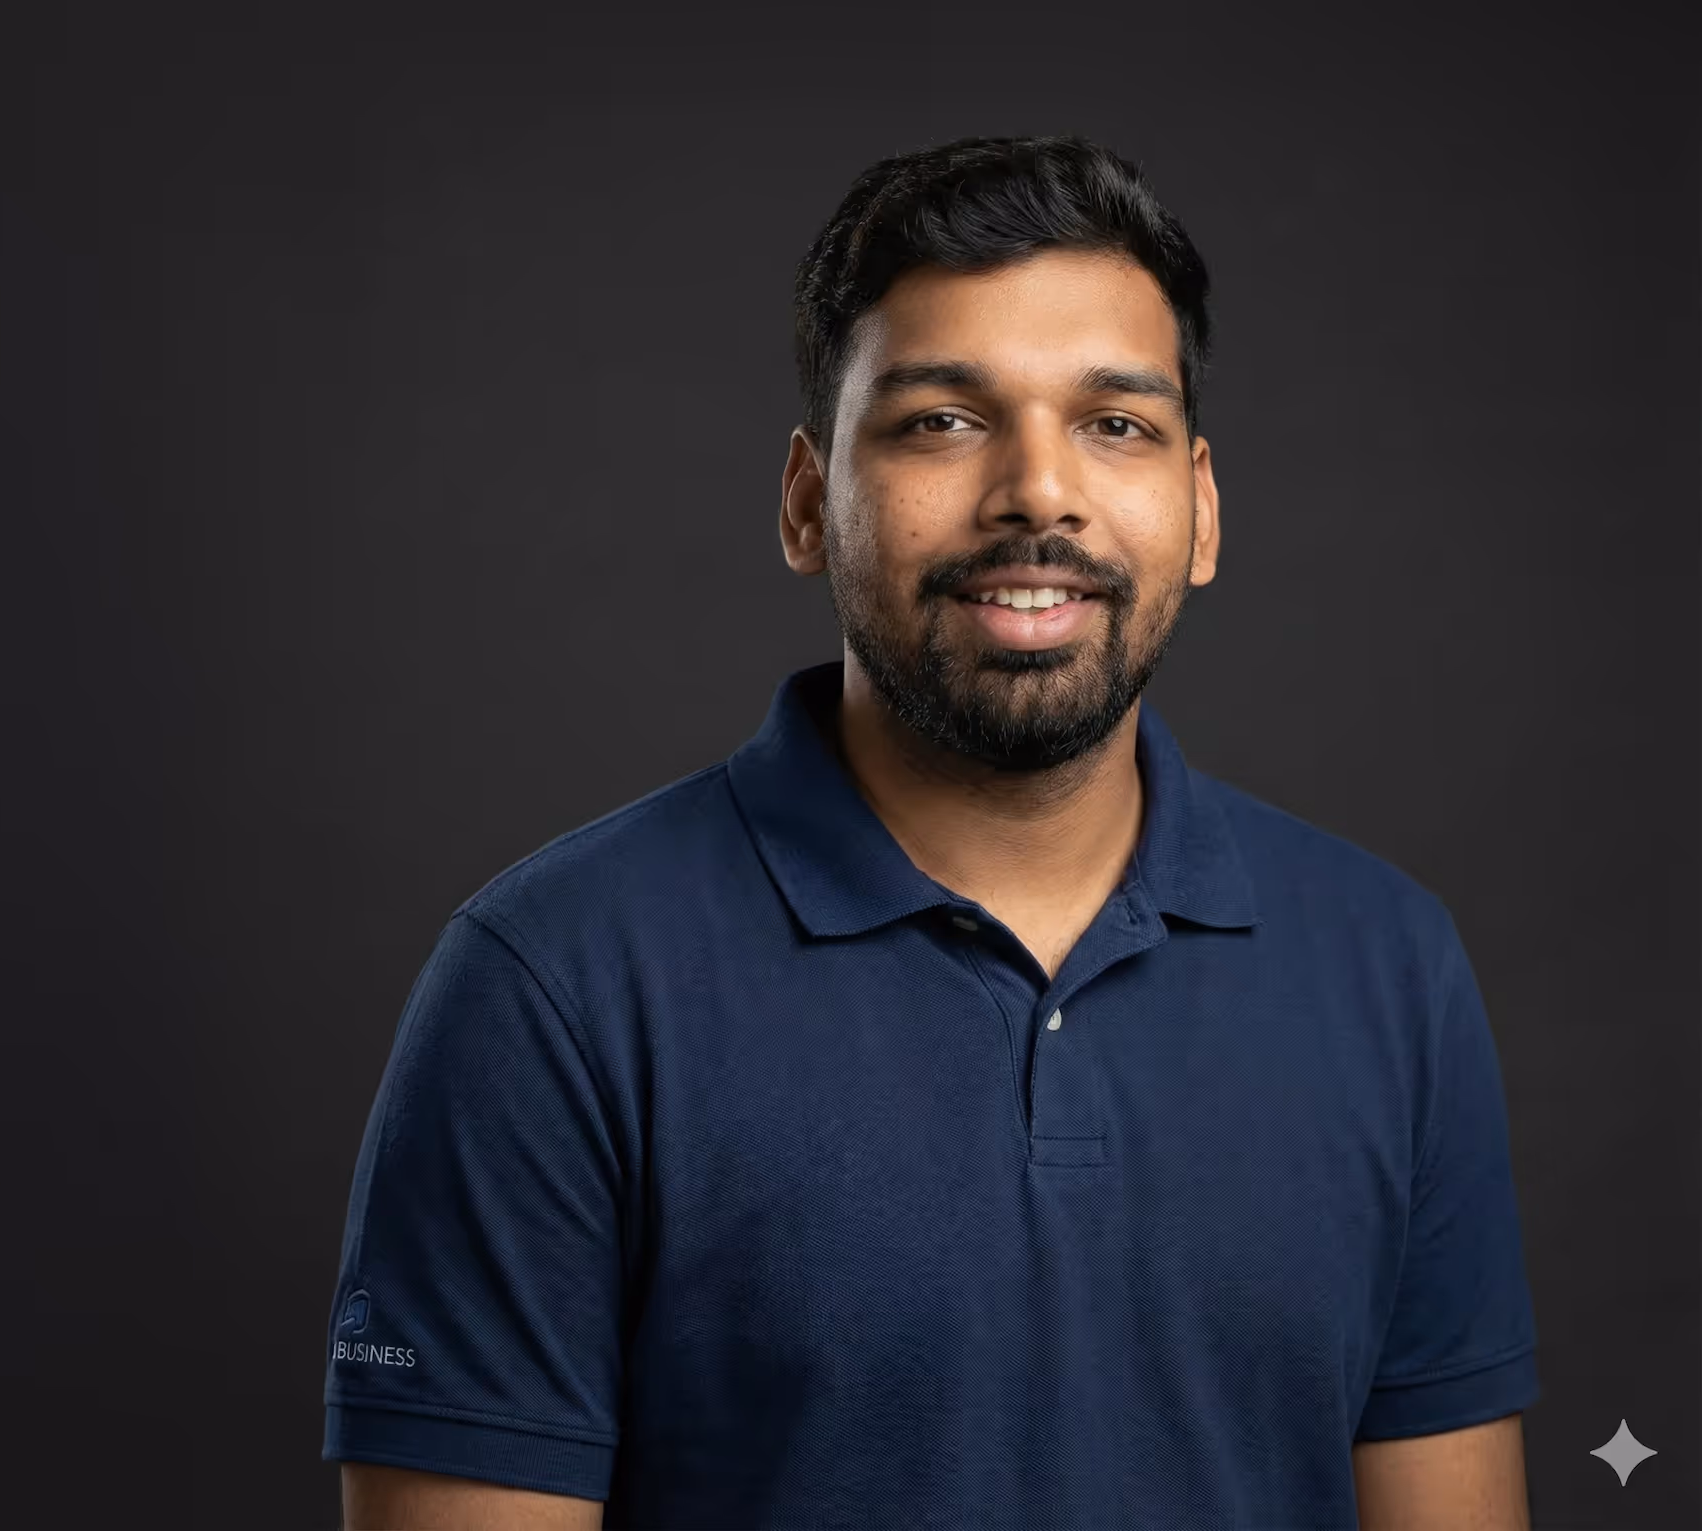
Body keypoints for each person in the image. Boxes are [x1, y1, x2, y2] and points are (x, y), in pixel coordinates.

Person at [325, 133, 1539, 1530]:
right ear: (805, 502)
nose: (1037, 492)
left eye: (1115, 424)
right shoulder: (551, 983)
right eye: (940, 421)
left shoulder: (1386, 965)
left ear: (1200, 511)